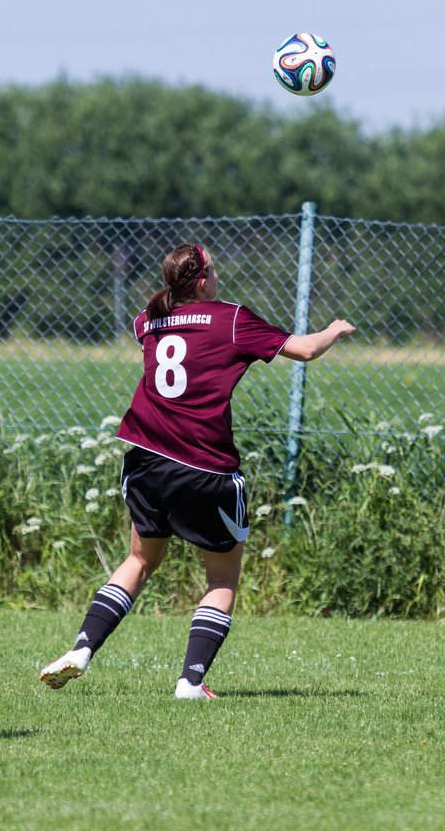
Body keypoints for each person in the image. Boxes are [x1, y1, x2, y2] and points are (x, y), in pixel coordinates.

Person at [39, 242, 355, 699]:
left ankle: (81, 649)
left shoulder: (150, 319)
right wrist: (333, 329)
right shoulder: (229, 318)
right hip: (204, 467)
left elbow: (159, 335)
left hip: (145, 460)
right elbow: (304, 351)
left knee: (140, 560)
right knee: (222, 579)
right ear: (203, 279)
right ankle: (190, 681)